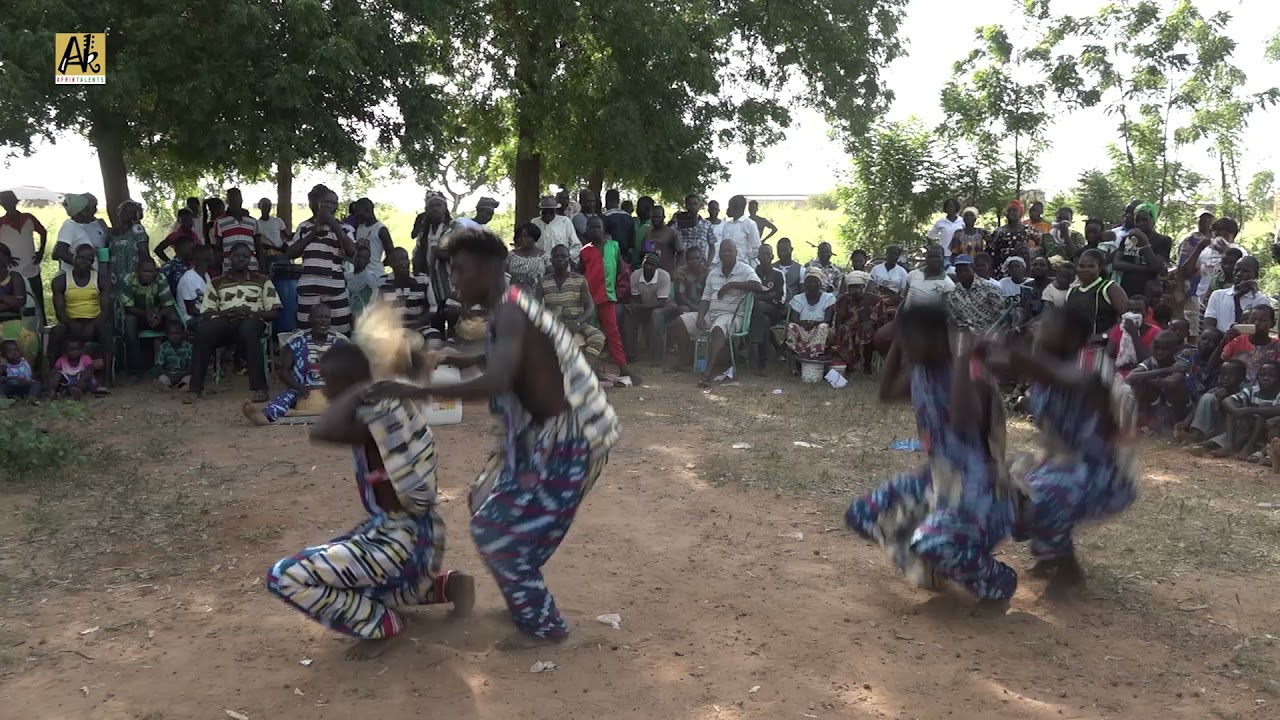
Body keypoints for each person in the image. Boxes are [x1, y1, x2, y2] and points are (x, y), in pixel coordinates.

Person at [365, 227, 620, 647]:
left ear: (487, 269)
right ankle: (525, 596)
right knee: (485, 500)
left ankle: (543, 627)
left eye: (460, 270)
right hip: (547, 439)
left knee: (494, 531)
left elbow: (496, 378)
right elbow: (504, 356)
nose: (454, 280)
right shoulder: (510, 306)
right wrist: (454, 356)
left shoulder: (510, 311)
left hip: (567, 441)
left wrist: (413, 390)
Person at [267, 342, 475, 660]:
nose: (324, 389)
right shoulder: (394, 402)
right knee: (350, 573)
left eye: (329, 381)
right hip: (425, 537)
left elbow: (322, 430)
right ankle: (446, 587)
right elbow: (418, 370)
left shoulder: (372, 414)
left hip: (399, 542)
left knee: (285, 576)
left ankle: (383, 625)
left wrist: (355, 388)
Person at [846, 304, 1016, 605]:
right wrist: (899, 343)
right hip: (938, 479)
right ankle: (937, 561)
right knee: (862, 515)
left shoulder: (969, 371)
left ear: (939, 337)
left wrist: (963, 357)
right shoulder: (920, 369)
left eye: (913, 338)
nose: (908, 345)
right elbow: (886, 394)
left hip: (978, 490)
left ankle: (998, 581)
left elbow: (962, 420)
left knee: (932, 544)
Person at [984, 305, 1138, 587]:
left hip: (1102, 475)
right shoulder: (1042, 372)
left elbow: (1059, 376)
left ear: (1071, 338)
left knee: (1041, 495)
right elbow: (996, 361)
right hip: (1059, 464)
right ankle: (1051, 555)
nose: (1038, 329)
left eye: (1047, 326)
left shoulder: (1091, 372)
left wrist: (1011, 351)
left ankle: (1067, 570)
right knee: (999, 484)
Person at [188, 242, 281, 402]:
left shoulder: (262, 280)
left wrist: (249, 312)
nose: (241, 259)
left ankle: (259, 388)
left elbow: (275, 312)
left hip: (252, 321)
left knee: (248, 329)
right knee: (203, 330)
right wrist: (227, 312)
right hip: (226, 321)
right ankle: (195, 389)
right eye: (238, 256)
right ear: (230, 257)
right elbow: (207, 312)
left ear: (250, 258)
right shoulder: (216, 282)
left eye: (245, 256)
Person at [244, 303, 348, 425]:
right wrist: (299, 387)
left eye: (327, 317)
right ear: (310, 319)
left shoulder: (341, 343)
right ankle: (264, 416)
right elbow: (283, 371)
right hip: (302, 388)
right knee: (285, 398)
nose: (323, 321)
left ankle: (293, 413)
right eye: (319, 317)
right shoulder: (296, 341)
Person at [580, 216, 640, 382]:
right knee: (591, 335)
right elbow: (581, 273)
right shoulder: (584, 251)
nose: (595, 231)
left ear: (603, 228)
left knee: (613, 333)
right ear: (587, 230)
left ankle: (623, 367)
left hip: (608, 297)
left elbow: (621, 269)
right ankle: (593, 368)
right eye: (591, 228)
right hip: (590, 300)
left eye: (598, 227)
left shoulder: (614, 246)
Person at [289, 184, 355, 334]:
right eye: (326, 202)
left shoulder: (345, 228)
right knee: (305, 333)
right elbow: (291, 253)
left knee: (341, 332)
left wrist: (334, 224)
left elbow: (352, 251)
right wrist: (314, 231)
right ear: (318, 203)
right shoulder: (304, 226)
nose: (329, 206)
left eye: (333, 203)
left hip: (336, 289)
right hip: (308, 290)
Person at [50, 244, 112, 389]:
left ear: (92, 262)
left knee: (106, 331)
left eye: (89, 259)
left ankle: (107, 378)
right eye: (81, 258)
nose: (84, 262)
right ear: (74, 258)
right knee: (56, 332)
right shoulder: (61, 281)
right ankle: (52, 376)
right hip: (70, 321)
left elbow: (105, 311)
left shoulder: (101, 280)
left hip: (94, 321)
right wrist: (71, 324)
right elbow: (60, 312)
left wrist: (93, 325)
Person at [539, 244, 606, 364]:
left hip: (577, 322)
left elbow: (590, 307)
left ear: (569, 259)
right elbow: (536, 308)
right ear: (551, 260)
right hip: (554, 324)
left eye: (563, 256)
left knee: (598, 337)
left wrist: (577, 322)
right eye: (556, 256)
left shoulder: (579, 280)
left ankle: (586, 368)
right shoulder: (543, 282)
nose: (560, 259)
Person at [119, 256, 177, 379]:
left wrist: (159, 315)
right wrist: (147, 315)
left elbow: (168, 304)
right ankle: (135, 371)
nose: (148, 275)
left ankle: (172, 365)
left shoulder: (160, 279)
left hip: (158, 314)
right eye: (145, 271)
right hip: (138, 315)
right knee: (129, 322)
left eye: (151, 271)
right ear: (138, 271)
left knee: (173, 320)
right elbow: (128, 307)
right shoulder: (128, 280)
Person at [0, 190, 48, 321]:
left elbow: (43, 232)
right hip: (12, 272)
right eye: (5, 202)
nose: (8, 204)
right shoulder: (1, 222)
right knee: (18, 304)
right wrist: (6, 257)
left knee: (38, 301)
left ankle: (42, 329)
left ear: (15, 202)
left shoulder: (28, 217)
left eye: (10, 201)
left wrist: (41, 251)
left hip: (31, 267)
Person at [1218, 360, 1280, 463]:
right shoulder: (1252, 390)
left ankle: (1250, 446)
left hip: (1270, 430)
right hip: (1249, 427)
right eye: (1262, 375)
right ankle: (1228, 445)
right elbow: (1227, 400)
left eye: (1271, 376)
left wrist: (1250, 410)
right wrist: (1236, 411)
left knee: (1264, 408)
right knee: (1234, 407)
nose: (1265, 378)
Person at [1182, 358, 1247, 455]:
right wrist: (1187, 420)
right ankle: (1197, 434)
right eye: (1223, 375)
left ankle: (1205, 445)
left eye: (1230, 375)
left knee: (1233, 408)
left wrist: (1225, 399)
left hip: (1235, 433)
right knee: (1208, 397)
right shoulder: (1218, 389)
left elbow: (1241, 417)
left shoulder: (1246, 391)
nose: (1225, 378)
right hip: (1216, 429)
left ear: (1242, 378)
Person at [1126, 330, 1191, 426]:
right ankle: (1146, 423)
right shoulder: (1151, 361)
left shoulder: (1181, 364)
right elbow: (1130, 377)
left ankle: (1176, 424)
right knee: (1139, 385)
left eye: (1165, 349)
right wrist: (1168, 369)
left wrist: (1144, 378)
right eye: (1156, 348)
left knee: (1173, 389)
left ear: (1175, 350)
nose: (1159, 352)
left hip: (1179, 407)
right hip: (1158, 403)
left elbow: (1169, 383)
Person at [1065, 248, 1128, 339]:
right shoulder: (1072, 291)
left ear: (1100, 267)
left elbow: (1127, 318)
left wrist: (1104, 336)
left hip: (1102, 347)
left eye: (1091, 266)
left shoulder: (1109, 288)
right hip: (1075, 346)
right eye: (1081, 266)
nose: (1085, 270)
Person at [376, 247, 437, 340]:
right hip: (393, 330)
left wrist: (418, 323)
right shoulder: (382, 282)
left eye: (405, 258)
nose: (403, 263)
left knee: (434, 338)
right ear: (391, 264)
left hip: (419, 328)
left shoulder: (423, 279)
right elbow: (376, 310)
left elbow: (433, 308)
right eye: (398, 260)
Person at [1111, 205, 1171, 299]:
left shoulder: (1163, 240)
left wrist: (1144, 242)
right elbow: (1116, 263)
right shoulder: (1127, 239)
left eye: (1144, 220)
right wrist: (1146, 268)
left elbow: (1157, 266)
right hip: (1126, 289)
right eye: (1137, 220)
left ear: (1153, 219)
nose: (1141, 223)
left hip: (1148, 290)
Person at [625, 253, 675, 363]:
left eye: (652, 265)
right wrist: (633, 307)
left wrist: (638, 306)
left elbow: (661, 302)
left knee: (657, 315)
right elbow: (636, 298)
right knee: (629, 315)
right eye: (646, 263)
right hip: (645, 306)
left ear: (657, 266)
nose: (648, 267)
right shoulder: (635, 275)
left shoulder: (664, 276)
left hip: (665, 306)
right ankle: (630, 354)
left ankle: (657, 358)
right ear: (642, 263)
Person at [1215, 305, 1280, 383]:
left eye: (1263, 320)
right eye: (1253, 320)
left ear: (1273, 323)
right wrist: (1223, 342)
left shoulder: (1277, 346)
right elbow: (1214, 365)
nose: (1256, 323)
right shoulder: (1236, 341)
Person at [748, 243, 788, 371]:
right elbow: (749, 295)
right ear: (758, 257)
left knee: (759, 306)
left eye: (767, 254)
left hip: (775, 310)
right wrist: (768, 295)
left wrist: (761, 298)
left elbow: (780, 298)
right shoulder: (752, 273)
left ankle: (752, 346)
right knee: (763, 320)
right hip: (756, 312)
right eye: (762, 254)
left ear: (772, 256)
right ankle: (762, 361)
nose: (765, 256)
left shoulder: (778, 274)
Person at [1203, 256, 1269, 331]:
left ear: (1256, 275)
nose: (1239, 274)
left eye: (1245, 271)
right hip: (1219, 341)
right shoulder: (1217, 295)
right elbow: (1208, 328)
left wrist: (1237, 298)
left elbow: (1251, 331)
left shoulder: (1261, 301)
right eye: (1236, 270)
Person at [1176, 210, 1215, 332]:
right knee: (1194, 328)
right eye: (1202, 218)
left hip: (1213, 291)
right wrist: (1180, 288)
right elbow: (1182, 268)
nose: (1206, 221)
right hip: (1193, 290)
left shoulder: (1218, 240)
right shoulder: (1190, 240)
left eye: (1209, 218)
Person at [53, 193, 110, 276]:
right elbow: (59, 252)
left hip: (89, 275)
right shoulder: (69, 226)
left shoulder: (79, 226)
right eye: (92, 208)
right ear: (84, 212)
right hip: (76, 276)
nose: (95, 211)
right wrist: (85, 265)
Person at [786, 267, 837, 359]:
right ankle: (797, 356)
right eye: (808, 282)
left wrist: (814, 323)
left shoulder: (829, 298)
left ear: (820, 283)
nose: (811, 284)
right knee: (792, 326)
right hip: (803, 328)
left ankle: (815, 355)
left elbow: (828, 320)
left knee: (823, 327)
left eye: (815, 282)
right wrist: (803, 323)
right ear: (805, 284)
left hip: (821, 329)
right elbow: (794, 318)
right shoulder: (798, 299)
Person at [947, 255, 1005, 333]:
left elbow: (1002, 313)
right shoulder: (953, 294)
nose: (962, 274)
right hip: (966, 336)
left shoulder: (989, 288)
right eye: (959, 271)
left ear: (973, 269)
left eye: (966, 270)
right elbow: (955, 318)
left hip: (990, 334)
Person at [833, 271, 876, 374]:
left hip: (868, 328)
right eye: (852, 287)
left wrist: (868, 324)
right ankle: (848, 365)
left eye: (858, 287)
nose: (855, 290)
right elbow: (839, 319)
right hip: (849, 328)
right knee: (844, 330)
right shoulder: (844, 299)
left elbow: (877, 318)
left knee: (865, 331)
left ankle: (866, 366)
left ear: (863, 287)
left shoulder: (873, 299)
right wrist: (838, 331)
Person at [0, 244, 37, 362]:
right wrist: (8, 301)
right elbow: (13, 301)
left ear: (6, 258)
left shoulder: (14, 276)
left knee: (29, 339)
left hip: (14, 321)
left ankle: (26, 372)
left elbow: (18, 303)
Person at [211, 188, 263, 273]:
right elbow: (218, 249)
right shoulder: (219, 222)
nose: (234, 201)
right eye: (231, 199)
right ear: (227, 201)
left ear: (241, 200)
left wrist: (262, 268)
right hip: (229, 268)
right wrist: (218, 270)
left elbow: (259, 247)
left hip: (251, 268)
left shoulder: (252, 221)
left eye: (237, 198)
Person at [1106, 295, 1160, 373]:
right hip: (1119, 376)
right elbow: (1108, 356)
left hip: (1143, 377)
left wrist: (1134, 334)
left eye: (1138, 310)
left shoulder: (1155, 332)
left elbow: (1148, 363)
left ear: (1147, 312)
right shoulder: (1118, 329)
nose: (1133, 314)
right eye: (1129, 310)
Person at [411, 192, 452, 276]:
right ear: (427, 210)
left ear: (445, 208)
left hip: (451, 281)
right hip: (428, 280)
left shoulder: (453, 228)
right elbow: (418, 256)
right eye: (431, 206)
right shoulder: (424, 233)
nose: (435, 208)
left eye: (438, 205)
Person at [531, 195, 581, 262]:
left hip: (561, 264)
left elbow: (576, 245)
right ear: (541, 210)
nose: (548, 214)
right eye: (545, 211)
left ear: (555, 210)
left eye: (551, 211)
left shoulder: (565, 221)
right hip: (539, 263)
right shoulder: (534, 222)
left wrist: (566, 256)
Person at [716, 195, 762, 269]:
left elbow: (757, 248)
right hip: (726, 266)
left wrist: (744, 257)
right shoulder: (726, 225)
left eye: (729, 206)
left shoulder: (750, 224)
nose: (727, 209)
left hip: (743, 267)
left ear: (737, 208)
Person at [352, 198, 395, 272]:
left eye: (358, 212)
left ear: (368, 210)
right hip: (359, 273)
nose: (356, 215)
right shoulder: (359, 227)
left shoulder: (381, 229)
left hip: (375, 274)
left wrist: (378, 265)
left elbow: (391, 254)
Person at [176, 245, 214, 329]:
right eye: (212, 255)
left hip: (204, 315)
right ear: (207, 259)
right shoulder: (189, 278)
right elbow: (191, 310)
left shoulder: (206, 275)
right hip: (190, 319)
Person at [504, 223, 550, 291]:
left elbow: (550, 276)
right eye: (520, 237)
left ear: (534, 238)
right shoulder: (510, 256)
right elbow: (503, 276)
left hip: (537, 296)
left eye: (526, 236)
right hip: (515, 296)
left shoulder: (543, 257)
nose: (523, 239)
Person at [988, 201, 1030, 270]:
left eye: (1015, 210)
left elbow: (1040, 242)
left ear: (1020, 213)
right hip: (1002, 267)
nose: (1011, 212)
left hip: (1021, 269)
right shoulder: (998, 231)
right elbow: (992, 250)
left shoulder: (1027, 229)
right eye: (1009, 210)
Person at [673, 194, 714, 263]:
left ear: (699, 205)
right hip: (684, 263)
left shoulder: (707, 223)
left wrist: (708, 263)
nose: (693, 207)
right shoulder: (679, 222)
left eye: (695, 204)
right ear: (685, 206)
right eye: (689, 204)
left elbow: (712, 246)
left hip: (701, 264)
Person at [153, 320, 193, 390]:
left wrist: (182, 374)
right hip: (168, 374)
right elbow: (159, 366)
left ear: (183, 334)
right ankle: (168, 387)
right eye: (171, 334)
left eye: (178, 333)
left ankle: (181, 386)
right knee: (162, 378)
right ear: (167, 334)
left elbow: (191, 366)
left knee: (189, 379)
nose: (175, 336)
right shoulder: (163, 347)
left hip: (184, 374)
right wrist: (168, 375)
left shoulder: (189, 347)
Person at [644, 204, 683, 274]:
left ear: (663, 217)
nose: (656, 220)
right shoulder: (648, 233)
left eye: (658, 217)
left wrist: (676, 269)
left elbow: (681, 252)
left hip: (667, 272)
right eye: (653, 217)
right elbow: (647, 251)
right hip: (650, 273)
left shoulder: (671, 233)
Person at [346, 245, 381, 320]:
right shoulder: (348, 276)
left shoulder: (370, 279)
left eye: (364, 258)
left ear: (368, 261)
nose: (360, 260)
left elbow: (371, 301)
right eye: (358, 256)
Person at [601, 190, 636, 263]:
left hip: (610, 256)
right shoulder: (628, 217)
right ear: (618, 201)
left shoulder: (605, 217)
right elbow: (632, 240)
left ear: (606, 201)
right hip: (626, 256)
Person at [256, 197, 289, 262]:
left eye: (268, 206)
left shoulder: (278, 221)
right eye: (264, 206)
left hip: (280, 253)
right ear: (259, 207)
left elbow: (285, 236)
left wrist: (285, 246)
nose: (266, 208)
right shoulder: (256, 223)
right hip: (266, 255)